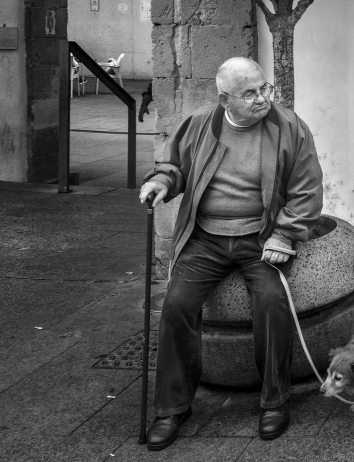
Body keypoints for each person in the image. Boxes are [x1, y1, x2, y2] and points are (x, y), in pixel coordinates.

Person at [138, 57, 323, 450]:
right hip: (206, 238)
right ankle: (172, 408)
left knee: (272, 303)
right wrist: (160, 181)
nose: (262, 99)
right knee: (176, 305)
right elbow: (173, 166)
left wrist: (284, 235)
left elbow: (307, 191)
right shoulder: (201, 122)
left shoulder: (289, 127)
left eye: (264, 88)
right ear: (225, 99)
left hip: (261, 237)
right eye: (250, 93)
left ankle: (275, 400)